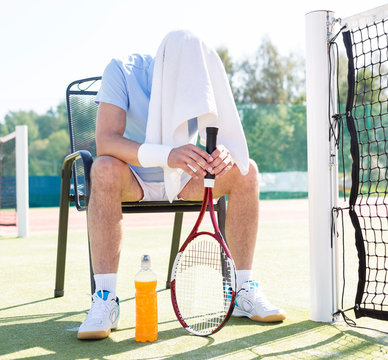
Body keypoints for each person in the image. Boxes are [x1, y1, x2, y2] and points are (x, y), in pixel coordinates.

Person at [77, 32, 286, 340]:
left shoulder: (199, 73)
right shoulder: (120, 70)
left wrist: (224, 153)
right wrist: (167, 155)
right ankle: (105, 299)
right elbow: (106, 141)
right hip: (132, 179)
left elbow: (223, 134)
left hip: (185, 179)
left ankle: (243, 290)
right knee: (103, 167)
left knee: (245, 170)